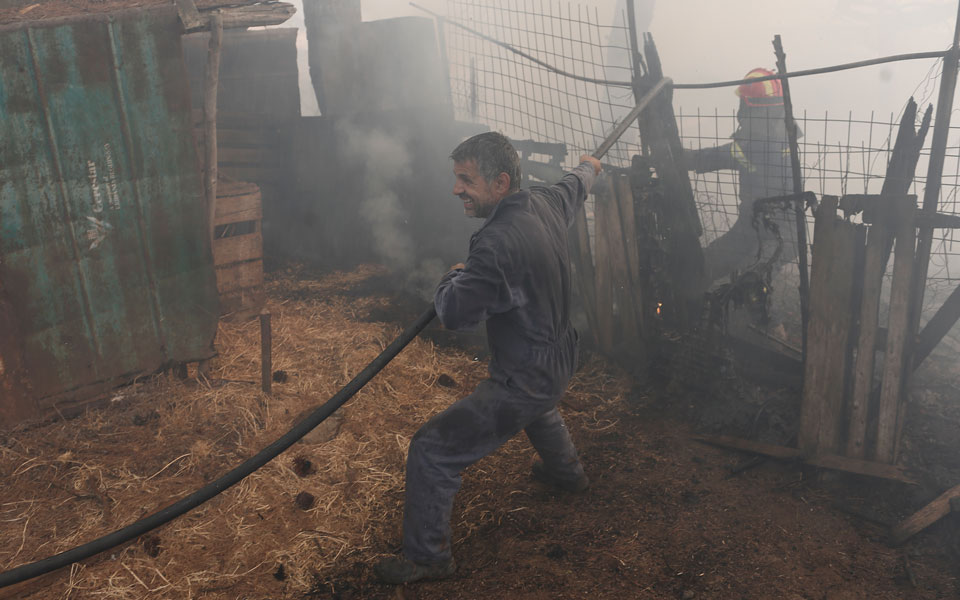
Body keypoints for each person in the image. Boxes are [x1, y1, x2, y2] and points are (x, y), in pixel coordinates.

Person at [374, 132, 602, 584]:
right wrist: (590, 166)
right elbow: (575, 184)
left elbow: (457, 314)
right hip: (560, 357)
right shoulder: (544, 202)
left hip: (526, 376)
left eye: (465, 180)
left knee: (432, 449)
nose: (456, 189)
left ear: (500, 183)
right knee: (540, 403)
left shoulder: (495, 243)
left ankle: (427, 558)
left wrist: (450, 278)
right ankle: (568, 474)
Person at [686, 67, 799, 285]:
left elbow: (709, 157)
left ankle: (749, 317)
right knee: (707, 265)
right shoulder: (785, 135)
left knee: (752, 282)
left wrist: (673, 157)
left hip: (781, 233)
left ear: (749, 107)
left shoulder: (754, 145)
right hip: (753, 225)